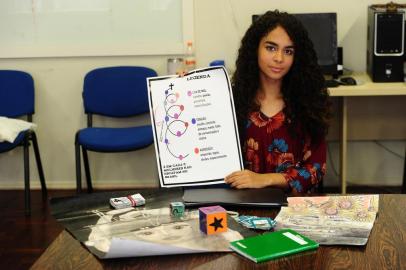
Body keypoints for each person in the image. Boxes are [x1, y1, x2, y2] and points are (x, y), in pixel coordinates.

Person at [225, 10, 332, 195]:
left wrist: (265, 180)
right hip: (241, 205)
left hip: (295, 210)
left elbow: (316, 168)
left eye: (288, 51)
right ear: (255, 49)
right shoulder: (232, 99)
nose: (279, 58)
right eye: (271, 48)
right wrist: (185, 89)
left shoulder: (309, 102)